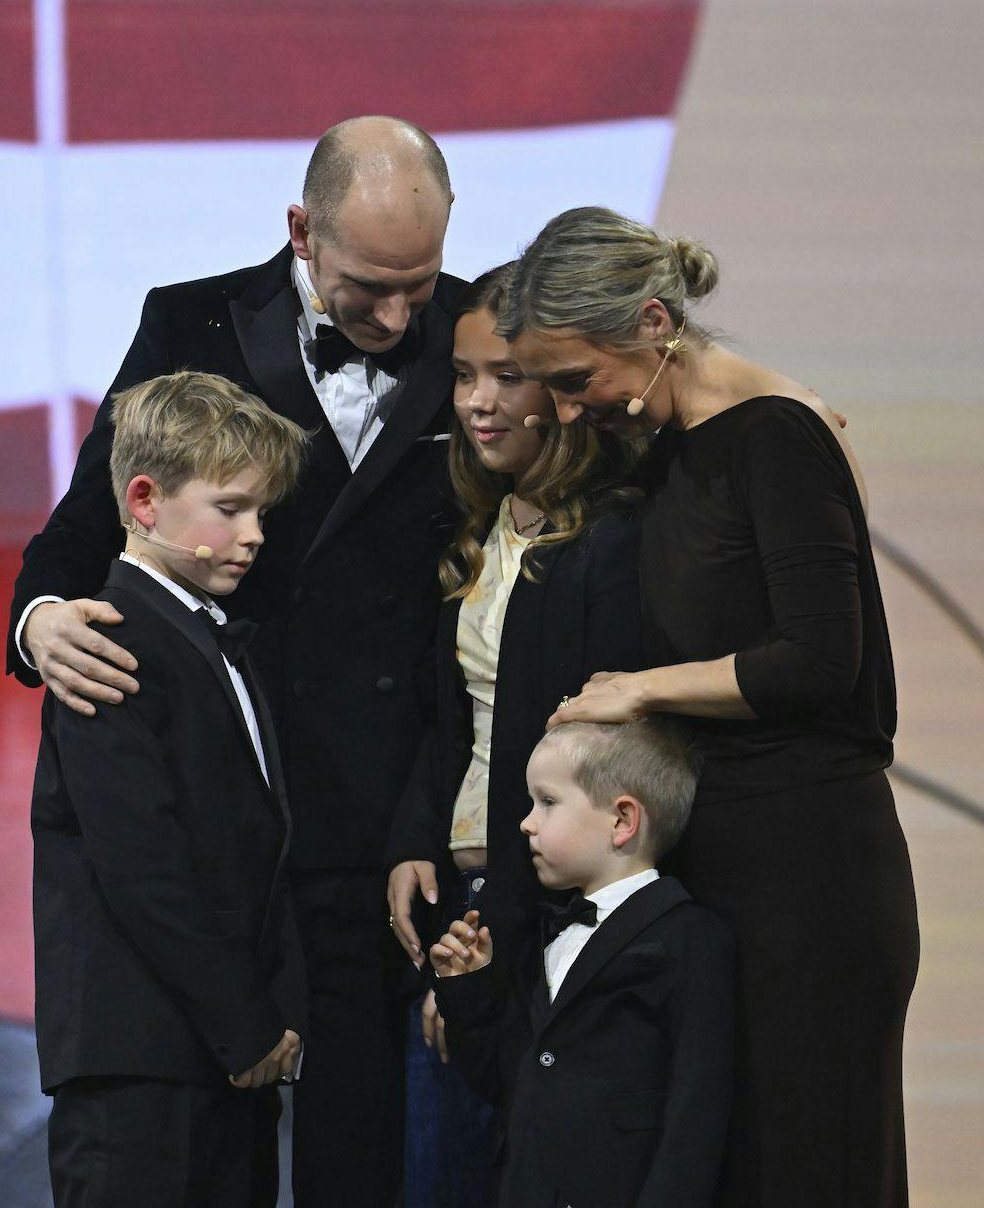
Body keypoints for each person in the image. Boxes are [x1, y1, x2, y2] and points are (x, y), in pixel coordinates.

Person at [10, 117, 469, 1206]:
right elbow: (83, 528)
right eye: (369, 287)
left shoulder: (478, 335)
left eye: (422, 283)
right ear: (302, 231)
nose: (400, 317)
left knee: (363, 1159)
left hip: (384, 832)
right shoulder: (191, 320)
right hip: (229, 831)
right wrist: (38, 623)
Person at [501, 206, 919, 1208]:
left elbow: (821, 659)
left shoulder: (775, 437)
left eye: (575, 381)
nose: (565, 412)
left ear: (652, 322)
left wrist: (644, 689)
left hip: (807, 878)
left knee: (809, 1165)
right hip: (727, 866)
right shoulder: (678, 452)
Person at [381, 261, 644, 1207]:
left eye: (507, 375)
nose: (479, 403)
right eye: (462, 376)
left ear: (563, 389)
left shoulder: (612, 543)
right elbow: (449, 723)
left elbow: (607, 766)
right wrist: (417, 840)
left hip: (536, 909)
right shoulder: (476, 529)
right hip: (463, 895)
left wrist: (502, 933)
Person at [32, 371, 314, 1208]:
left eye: (262, 513)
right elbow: (142, 864)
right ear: (145, 500)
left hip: (215, 1061)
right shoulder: (108, 642)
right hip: (145, 1069)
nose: (255, 534)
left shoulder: (207, 635)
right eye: (230, 509)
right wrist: (248, 1026)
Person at [428, 718, 735, 1208]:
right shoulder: (544, 936)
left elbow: (695, 1121)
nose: (526, 822)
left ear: (622, 821)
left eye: (547, 802)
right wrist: (470, 990)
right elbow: (506, 1082)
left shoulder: (691, 940)